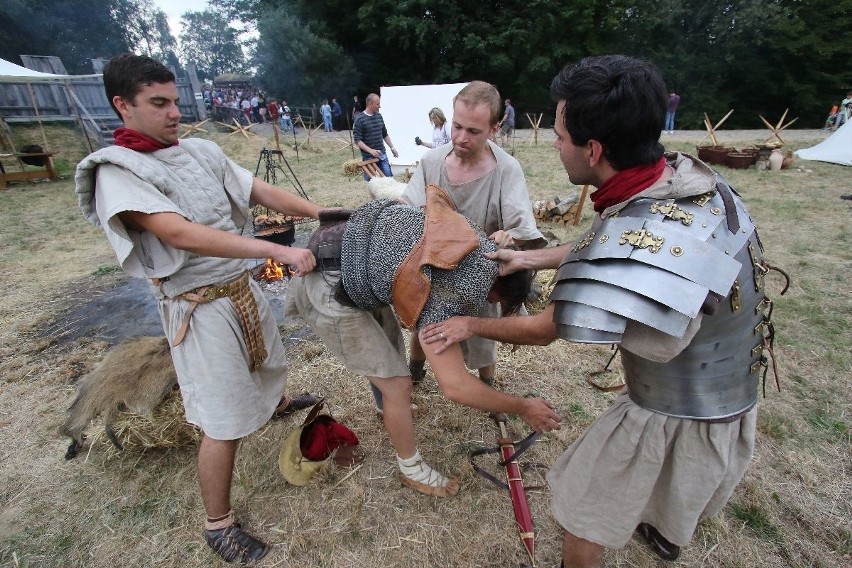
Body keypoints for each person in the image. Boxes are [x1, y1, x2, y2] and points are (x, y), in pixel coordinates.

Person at [421, 55, 778, 568]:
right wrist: (527, 256)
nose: (554, 142)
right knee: (676, 486)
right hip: (728, 385)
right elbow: (618, 242)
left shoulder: (640, 218)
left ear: (592, 149)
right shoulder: (686, 182)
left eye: (561, 134)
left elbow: (548, 328)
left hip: (676, 404)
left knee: (583, 505)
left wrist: (469, 323)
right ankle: (663, 529)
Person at [74, 53, 323, 564]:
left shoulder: (200, 151)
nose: (174, 114)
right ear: (122, 105)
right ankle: (219, 523)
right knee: (223, 418)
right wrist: (275, 250)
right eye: (158, 103)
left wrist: (323, 211)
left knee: (271, 365)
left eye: (175, 102)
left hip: (240, 290)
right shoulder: (116, 173)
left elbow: (257, 189)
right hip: (200, 308)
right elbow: (178, 233)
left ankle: (273, 405)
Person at [285, 189, 561, 496]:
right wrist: (521, 406)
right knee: (398, 386)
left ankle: (386, 409)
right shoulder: (453, 291)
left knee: (388, 352)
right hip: (327, 279)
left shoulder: (479, 245)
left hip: (354, 256)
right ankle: (411, 468)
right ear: (495, 294)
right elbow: (456, 386)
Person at [396, 81, 544, 411]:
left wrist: (510, 236)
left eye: (473, 131)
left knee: (482, 333)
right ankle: (416, 369)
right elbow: (407, 211)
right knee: (426, 323)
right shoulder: (432, 161)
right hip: (433, 267)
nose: (461, 138)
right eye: (457, 126)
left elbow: (522, 228)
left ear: (494, 127)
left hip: (483, 274)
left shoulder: (506, 169)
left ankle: (487, 384)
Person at [353, 93, 398, 178]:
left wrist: (392, 148)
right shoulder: (360, 119)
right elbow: (357, 140)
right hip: (368, 157)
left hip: (381, 154)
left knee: (388, 179)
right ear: (370, 104)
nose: (379, 106)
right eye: (377, 104)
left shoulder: (379, 116)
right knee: (372, 182)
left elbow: (384, 134)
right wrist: (371, 151)